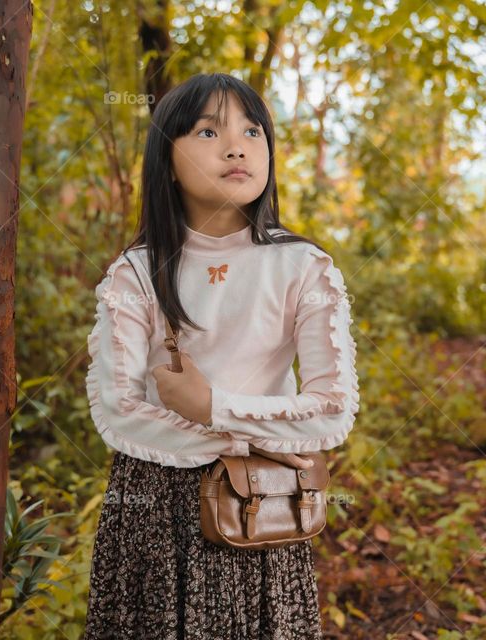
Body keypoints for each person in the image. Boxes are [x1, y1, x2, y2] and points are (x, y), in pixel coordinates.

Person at [82, 72, 360, 639]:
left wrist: (213, 408)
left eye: (253, 130)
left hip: (260, 501)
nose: (237, 145)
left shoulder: (304, 267)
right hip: (154, 506)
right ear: (167, 158)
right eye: (208, 132)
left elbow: (333, 409)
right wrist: (267, 435)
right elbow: (118, 409)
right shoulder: (135, 273)